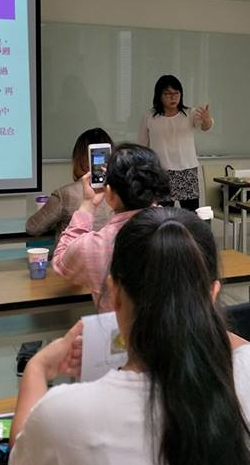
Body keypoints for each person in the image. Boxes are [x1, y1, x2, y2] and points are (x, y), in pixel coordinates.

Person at [8, 207, 250, 465]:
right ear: (213, 293)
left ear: (114, 293)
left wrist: (37, 368)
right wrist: (202, 322)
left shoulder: (65, 414)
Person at [51, 143, 170, 310]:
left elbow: (60, 265)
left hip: (118, 327)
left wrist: (88, 204)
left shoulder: (94, 246)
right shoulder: (184, 229)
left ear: (109, 193)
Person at [137, 74, 212, 211]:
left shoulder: (189, 113)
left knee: (190, 214)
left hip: (187, 171)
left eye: (176, 93)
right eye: (167, 94)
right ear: (159, 95)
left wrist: (207, 120)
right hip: (161, 172)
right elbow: (142, 145)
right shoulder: (150, 116)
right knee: (163, 215)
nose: (173, 97)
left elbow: (205, 127)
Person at [25, 127, 114, 240]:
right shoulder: (123, 192)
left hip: (73, 251)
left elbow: (33, 227)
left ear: (79, 158)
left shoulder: (65, 194)